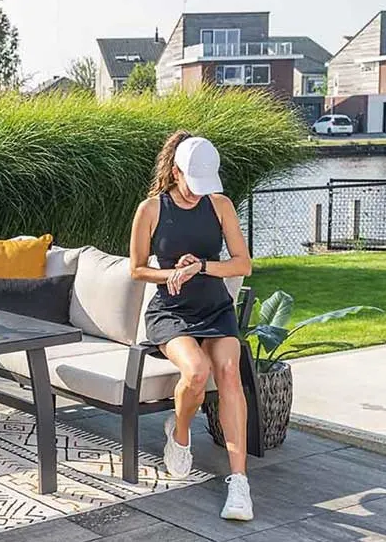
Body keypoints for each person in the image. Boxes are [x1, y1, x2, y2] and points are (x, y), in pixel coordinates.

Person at [129, 131, 254, 521]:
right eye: (192, 183)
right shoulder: (150, 209)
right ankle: (179, 434)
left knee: (229, 371)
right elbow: (136, 269)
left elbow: (242, 264)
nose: (199, 193)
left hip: (215, 307)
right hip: (171, 311)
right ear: (176, 171)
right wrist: (170, 274)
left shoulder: (220, 206)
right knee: (197, 372)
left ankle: (239, 484)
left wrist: (201, 266)